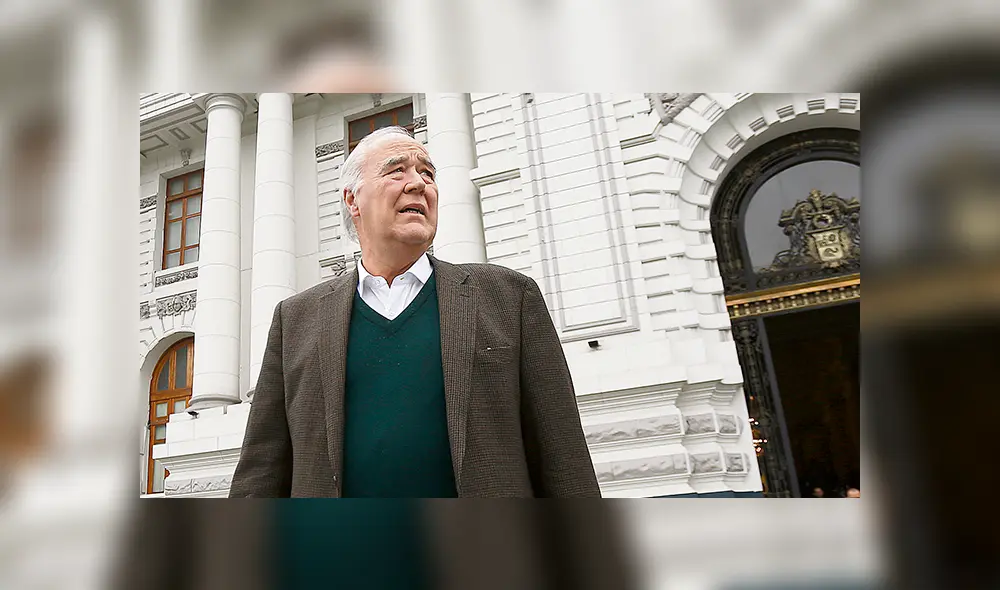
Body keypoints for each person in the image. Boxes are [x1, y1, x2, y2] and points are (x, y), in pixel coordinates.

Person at [229, 126, 601, 498]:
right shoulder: (295, 320)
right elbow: (261, 473)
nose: (419, 183)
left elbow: (563, 457)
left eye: (428, 173)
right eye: (397, 170)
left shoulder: (509, 299)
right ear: (352, 200)